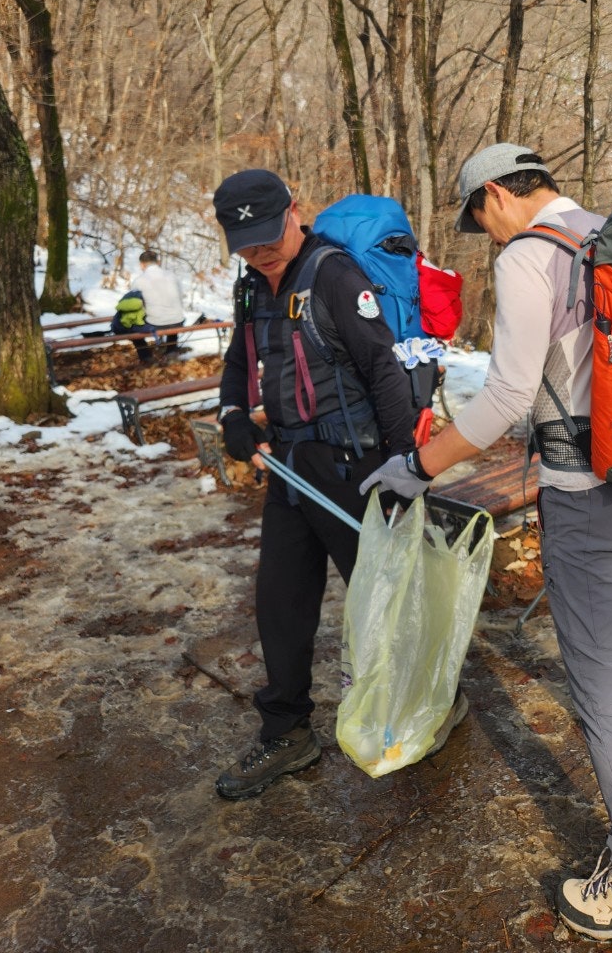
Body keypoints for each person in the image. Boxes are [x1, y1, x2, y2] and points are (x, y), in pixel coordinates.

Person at [361, 143, 612, 946]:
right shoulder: (611, 233)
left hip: (589, 494)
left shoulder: (530, 257)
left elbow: (505, 398)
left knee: (602, 685)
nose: (484, 235)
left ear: (498, 194)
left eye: (479, 217)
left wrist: (419, 467)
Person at [210, 168, 468, 801]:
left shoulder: (333, 276)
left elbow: (384, 368)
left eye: (270, 236)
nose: (262, 251)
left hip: (360, 467)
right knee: (280, 600)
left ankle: (431, 704)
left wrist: (406, 464)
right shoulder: (252, 287)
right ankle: (288, 730)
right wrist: (233, 414)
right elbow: (242, 359)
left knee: (385, 601)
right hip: (291, 467)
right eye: (246, 242)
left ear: (295, 211)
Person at [112, 249, 186, 364]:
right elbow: (180, 299)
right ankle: (171, 351)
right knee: (171, 316)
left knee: (131, 327)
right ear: (158, 262)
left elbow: (134, 307)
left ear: (141, 264)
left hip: (156, 324)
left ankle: (146, 356)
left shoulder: (139, 281)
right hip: (179, 320)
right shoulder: (172, 276)